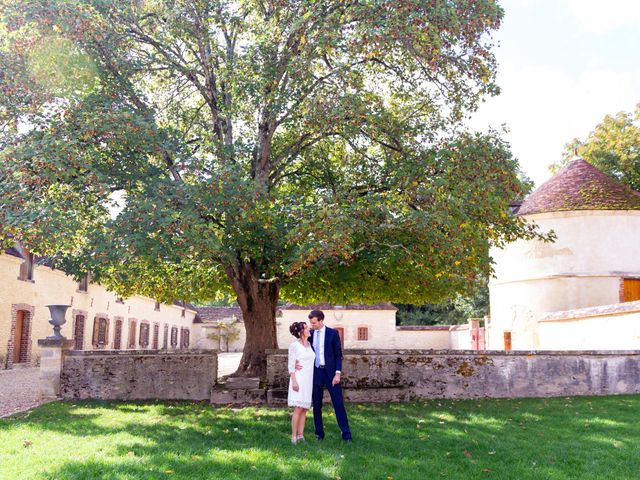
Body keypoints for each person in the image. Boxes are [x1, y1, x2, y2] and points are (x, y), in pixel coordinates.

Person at [306, 309, 352, 442]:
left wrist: (337, 374)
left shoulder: (333, 334)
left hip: (331, 374)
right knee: (317, 405)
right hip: (316, 373)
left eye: (314, 322)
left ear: (321, 320)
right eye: (311, 322)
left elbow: (338, 355)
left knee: (338, 404)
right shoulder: (310, 334)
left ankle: (346, 434)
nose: (312, 324)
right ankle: (319, 434)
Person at [287, 321, 315, 444]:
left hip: (308, 379)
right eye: (306, 328)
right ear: (300, 332)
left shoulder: (309, 344)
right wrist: (294, 382)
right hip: (298, 379)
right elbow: (291, 365)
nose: (309, 329)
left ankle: (301, 435)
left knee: (304, 409)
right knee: (298, 408)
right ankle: (293, 437)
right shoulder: (294, 346)